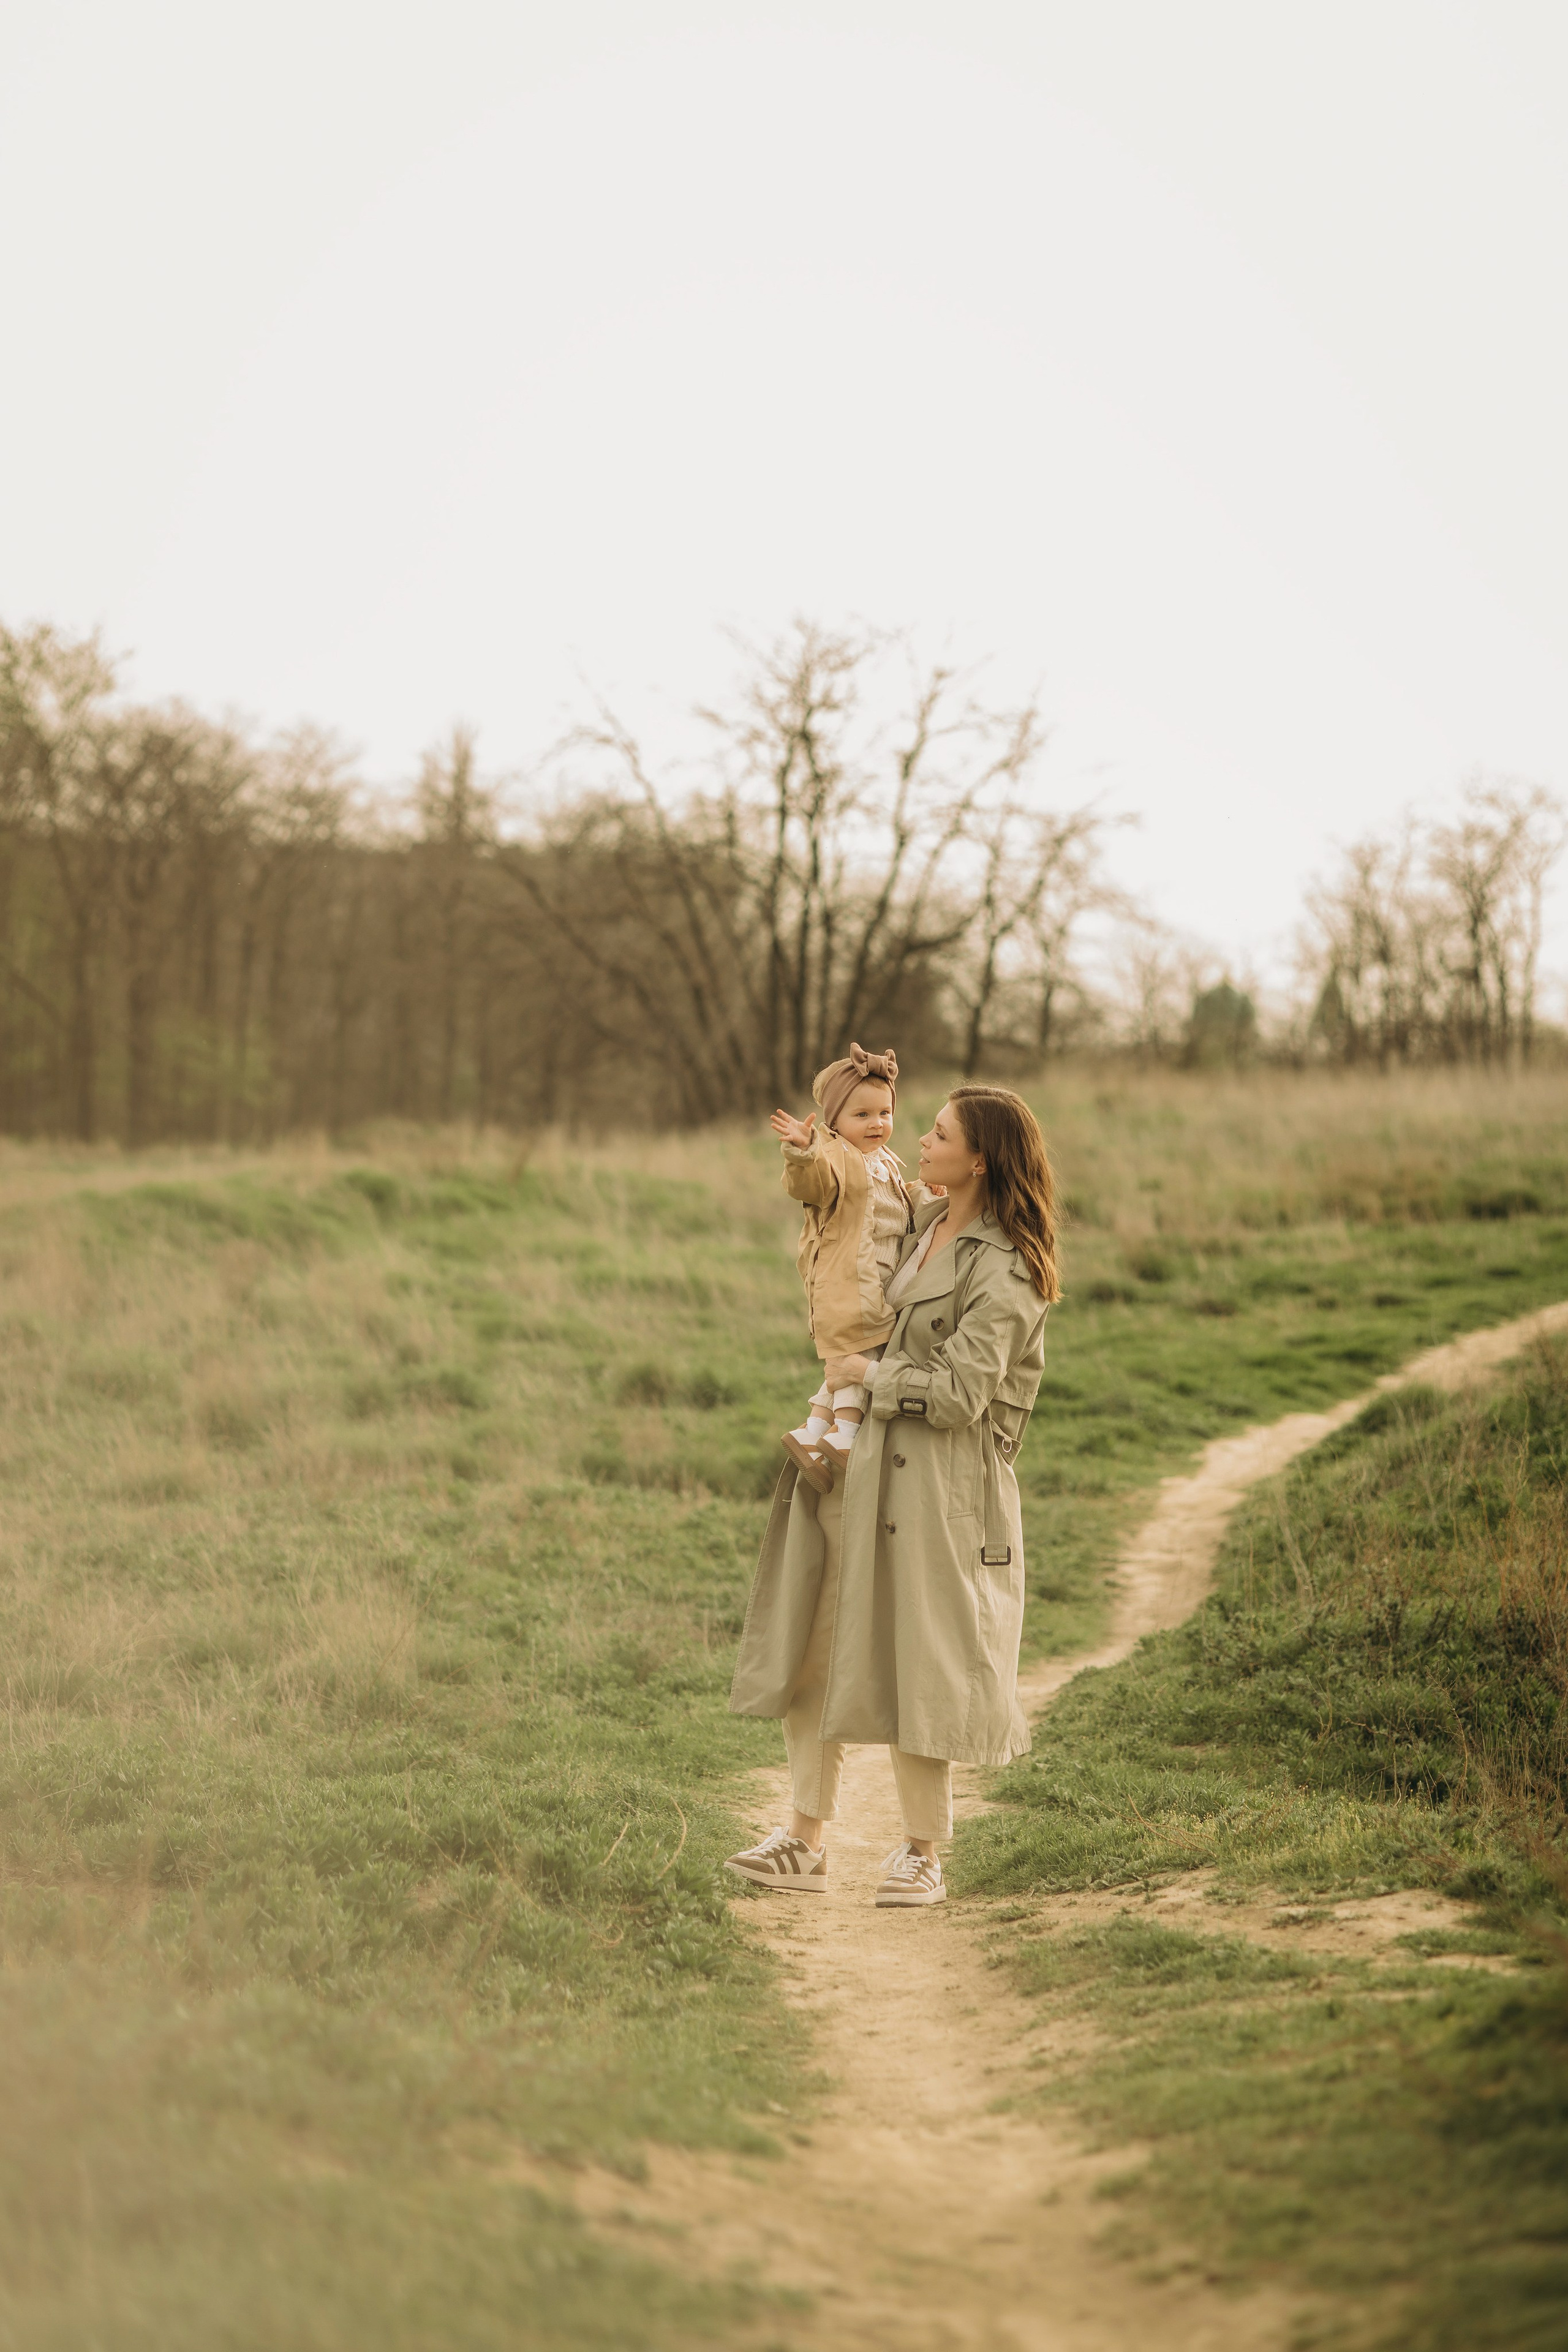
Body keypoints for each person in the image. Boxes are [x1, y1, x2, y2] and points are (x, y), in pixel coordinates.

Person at [726, 1085, 1059, 1907]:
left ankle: (923, 1852)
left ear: (979, 1158)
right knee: (813, 1646)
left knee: (923, 1663)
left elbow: (963, 1393)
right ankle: (803, 1840)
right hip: (857, 1468)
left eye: (939, 1133)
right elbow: (838, 1221)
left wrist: (871, 1376)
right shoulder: (915, 1219)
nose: (919, 1138)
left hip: (940, 1490)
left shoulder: (1008, 1265)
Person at [771, 1043, 920, 1490]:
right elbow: (811, 1185)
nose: (877, 1124)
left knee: (850, 1358)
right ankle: (846, 1434)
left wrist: (925, 1192)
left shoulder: (885, 1162)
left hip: (876, 1276)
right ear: (835, 1121)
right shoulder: (834, 1158)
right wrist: (802, 1153)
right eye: (862, 1116)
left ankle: (813, 1432)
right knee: (863, 1354)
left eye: (884, 1114)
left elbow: (896, 1209)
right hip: (854, 1280)